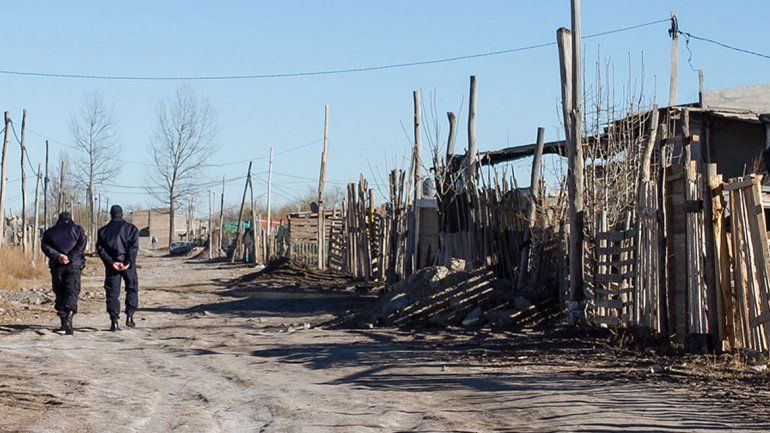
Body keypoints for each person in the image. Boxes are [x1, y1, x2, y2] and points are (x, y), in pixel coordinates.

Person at [40, 212, 87, 335]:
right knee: (72, 291)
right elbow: (82, 245)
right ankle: (69, 318)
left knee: (59, 291)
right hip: (74, 265)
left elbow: (44, 246)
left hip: (57, 266)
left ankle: (63, 321)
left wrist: (58, 256)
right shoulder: (78, 230)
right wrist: (70, 257)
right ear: (70, 219)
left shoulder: (50, 232)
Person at [96, 205, 139, 331]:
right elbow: (133, 247)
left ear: (111, 214)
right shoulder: (131, 229)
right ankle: (130, 316)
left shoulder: (103, 231)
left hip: (112, 266)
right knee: (132, 288)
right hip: (128, 265)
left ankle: (114, 321)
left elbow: (100, 249)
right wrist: (128, 262)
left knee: (112, 293)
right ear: (122, 214)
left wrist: (111, 262)